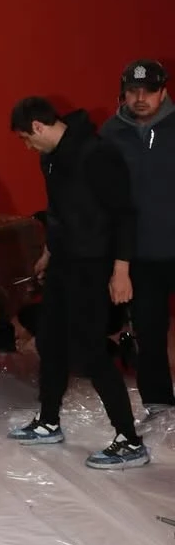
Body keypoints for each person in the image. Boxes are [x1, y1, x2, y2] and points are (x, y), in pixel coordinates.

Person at [7, 97, 148, 468]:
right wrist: (48, 253)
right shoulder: (50, 158)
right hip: (64, 263)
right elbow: (58, 213)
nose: (27, 147)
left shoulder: (98, 154)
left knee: (90, 350)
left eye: (26, 139)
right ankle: (48, 422)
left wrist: (121, 271)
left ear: (38, 127)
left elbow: (125, 216)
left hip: (95, 265)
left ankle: (130, 440)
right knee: (51, 340)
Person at [100, 60, 175, 417]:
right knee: (149, 329)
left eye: (149, 91)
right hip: (139, 253)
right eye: (133, 91)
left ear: (164, 91)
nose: (140, 98)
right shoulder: (110, 134)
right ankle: (159, 404)